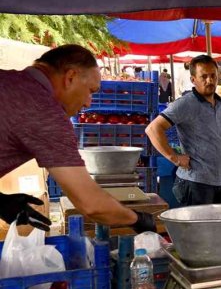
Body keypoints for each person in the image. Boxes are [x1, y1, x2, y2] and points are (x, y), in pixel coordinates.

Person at [0, 44, 155, 232]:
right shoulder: (45, 112)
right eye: (91, 90)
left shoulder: (7, 79)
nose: (88, 103)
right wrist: (138, 219)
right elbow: (92, 205)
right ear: (70, 77)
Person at [146, 55, 221, 206]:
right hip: (197, 184)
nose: (209, 81)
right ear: (193, 80)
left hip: (219, 181)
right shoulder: (185, 103)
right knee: (200, 229)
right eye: (203, 76)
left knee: (220, 228)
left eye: (213, 76)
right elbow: (152, 129)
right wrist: (174, 158)